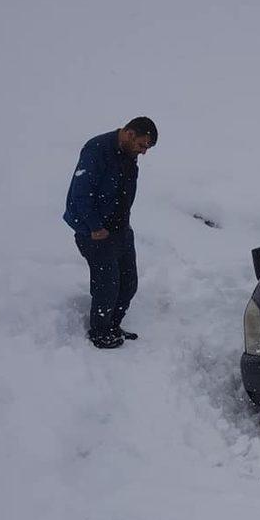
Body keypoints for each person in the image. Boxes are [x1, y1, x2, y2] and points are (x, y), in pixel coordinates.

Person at [64, 117, 158, 348]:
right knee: (107, 285)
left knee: (129, 283)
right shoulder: (97, 150)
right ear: (129, 134)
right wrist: (95, 227)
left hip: (120, 228)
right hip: (94, 231)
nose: (144, 152)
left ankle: (113, 325)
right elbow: (81, 193)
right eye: (142, 145)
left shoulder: (129, 154)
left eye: (147, 148)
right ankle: (100, 332)